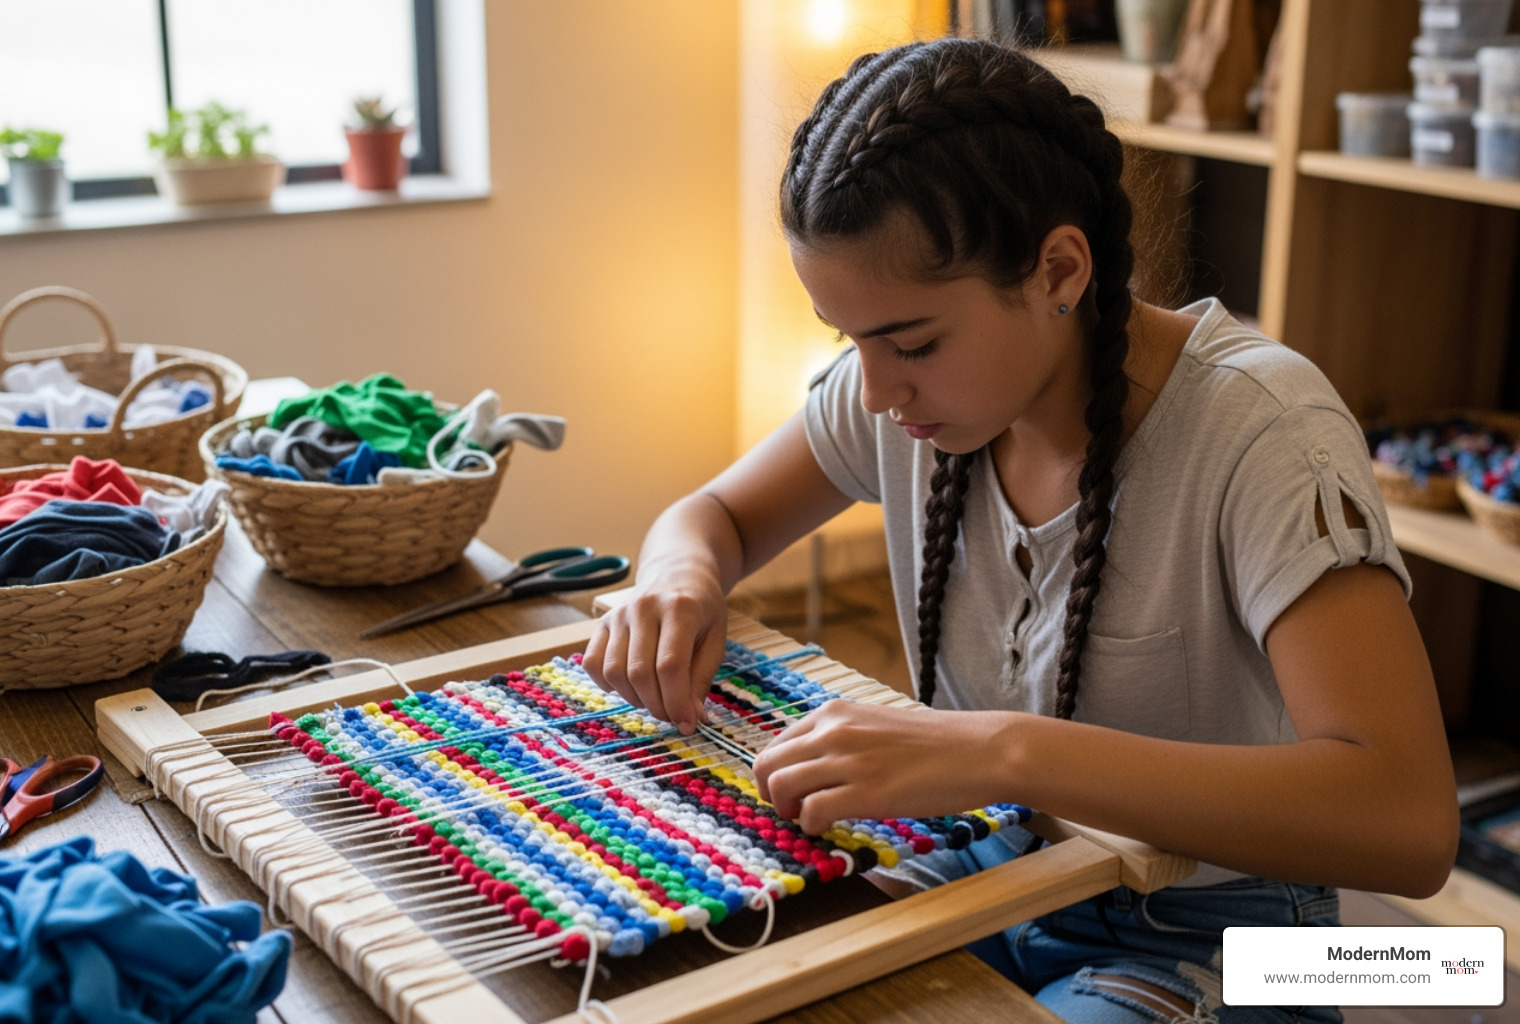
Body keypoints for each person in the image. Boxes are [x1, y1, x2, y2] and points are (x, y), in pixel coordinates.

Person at [583, 36, 1457, 1024]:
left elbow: (1408, 823)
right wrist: (679, 578)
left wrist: (1006, 751)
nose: (872, 392)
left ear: (1059, 271)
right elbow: (715, 517)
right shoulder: (912, 401)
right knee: (718, 976)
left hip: (1239, 934)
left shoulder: (1264, 434)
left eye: (913, 343)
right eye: (848, 338)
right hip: (993, 857)